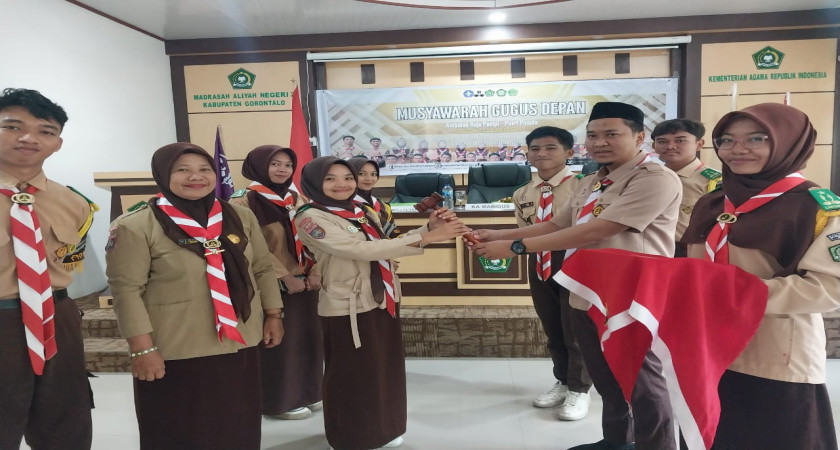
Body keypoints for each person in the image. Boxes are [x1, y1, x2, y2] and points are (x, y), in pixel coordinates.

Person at [469, 102, 681, 450]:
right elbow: (557, 224)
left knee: (641, 381)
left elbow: (597, 230)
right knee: (605, 375)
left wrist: (516, 248)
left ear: (639, 136)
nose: (599, 142)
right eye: (593, 135)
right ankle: (617, 441)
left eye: (611, 134)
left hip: (631, 296)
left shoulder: (654, 178)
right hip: (587, 291)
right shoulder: (594, 180)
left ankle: (656, 446)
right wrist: (499, 234)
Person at [105, 143, 284, 450]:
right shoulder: (135, 225)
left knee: (237, 423)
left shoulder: (240, 217)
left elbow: (263, 268)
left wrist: (273, 314)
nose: (195, 177)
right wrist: (141, 349)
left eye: (204, 169)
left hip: (239, 341)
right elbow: (126, 290)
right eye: (182, 170)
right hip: (176, 349)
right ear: (163, 175)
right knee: (181, 429)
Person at [683, 103, 840, 450]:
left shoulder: (815, 207)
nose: (737, 149)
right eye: (726, 140)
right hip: (705, 346)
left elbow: (829, 287)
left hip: (772, 353)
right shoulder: (713, 203)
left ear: (788, 142)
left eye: (756, 138)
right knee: (712, 436)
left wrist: (733, 295)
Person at [295, 157, 469, 450]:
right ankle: (349, 436)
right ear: (314, 183)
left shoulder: (360, 210)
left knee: (383, 369)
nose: (342, 184)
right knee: (352, 373)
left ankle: (383, 429)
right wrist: (427, 238)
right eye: (330, 179)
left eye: (347, 177)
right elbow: (359, 249)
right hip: (348, 306)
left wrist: (427, 227)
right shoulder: (311, 217)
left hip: (382, 297)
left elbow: (383, 243)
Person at [0, 88, 96, 450]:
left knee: (64, 421)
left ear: (57, 144)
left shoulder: (73, 202)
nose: (29, 138)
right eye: (13, 127)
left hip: (57, 318)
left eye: (45, 131)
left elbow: (70, 260)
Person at [229, 145, 324, 421]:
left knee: (307, 337)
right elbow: (249, 246)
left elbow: (317, 236)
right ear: (258, 166)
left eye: (287, 164)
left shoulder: (297, 198)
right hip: (272, 282)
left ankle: (308, 391)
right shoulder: (242, 201)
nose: (282, 169)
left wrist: (316, 270)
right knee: (279, 343)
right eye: (275, 164)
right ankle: (279, 400)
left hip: (307, 280)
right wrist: (283, 275)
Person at [513, 126, 592, 421]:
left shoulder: (585, 186)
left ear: (569, 152)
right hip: (540, 261)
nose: (541, 154)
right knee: (553, 327)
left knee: (576, 328)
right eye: (535, 148)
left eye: (550, 148)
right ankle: (563, 381)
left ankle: (580, 389)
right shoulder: (522, 192)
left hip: (576, 261)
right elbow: (525, 230)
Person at [651, 119, 721, 256]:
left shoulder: (714, 181)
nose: (670, 146)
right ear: (654, 146)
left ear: (699, 144)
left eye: (680, 140)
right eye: (662, 141)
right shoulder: (646, 177)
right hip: (649, 248)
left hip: (688, 251)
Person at [348, 156, 400, 237]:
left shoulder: (382, 205)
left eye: (373, 174)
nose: (369, 179)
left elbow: (394, 235)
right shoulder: (345, 206)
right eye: (361, 174)